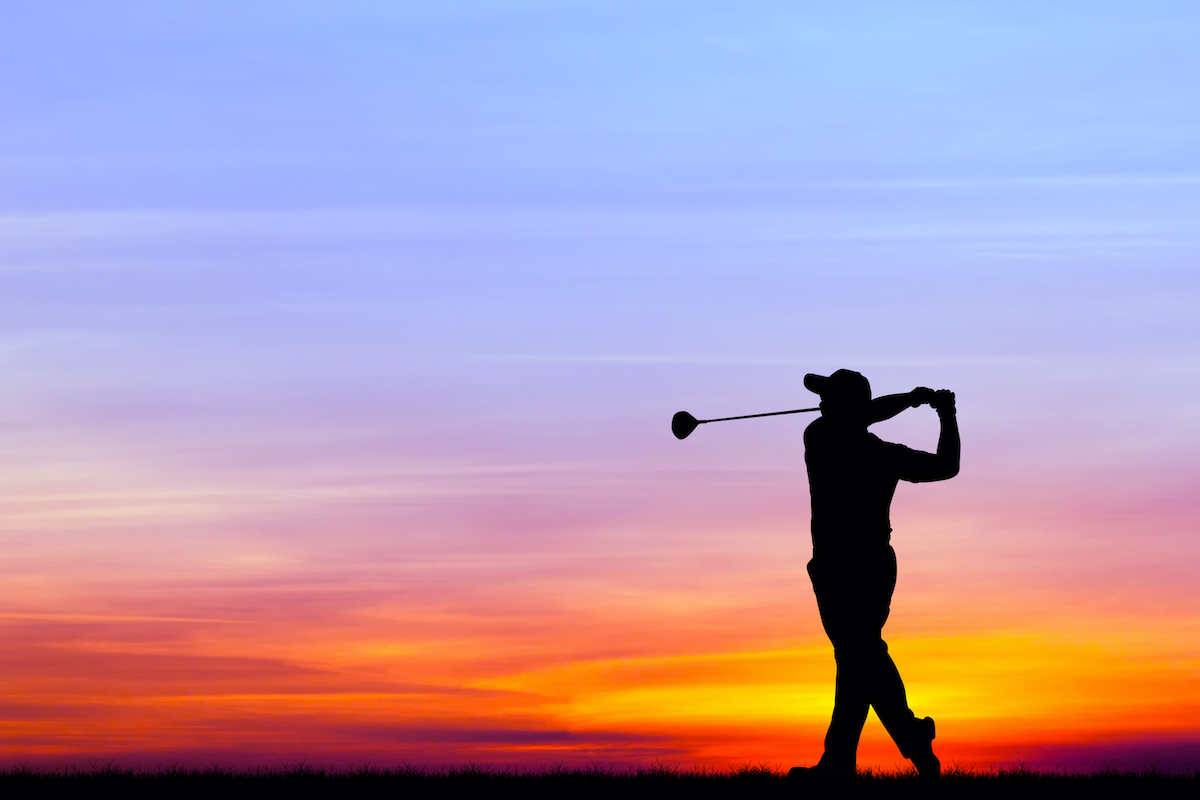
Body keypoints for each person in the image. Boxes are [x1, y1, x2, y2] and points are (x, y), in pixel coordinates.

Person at [791, 369, 959, 778]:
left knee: (858, 655)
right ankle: (879, 749)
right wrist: (939, 410)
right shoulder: (855, 446)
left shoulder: (824, 438)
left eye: (827, 397)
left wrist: (915, 401)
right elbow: (946, 464)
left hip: (849, 567)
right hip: (855, 566)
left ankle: (863, 753)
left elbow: (945, 466)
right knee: (858, 658)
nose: (819, 404)